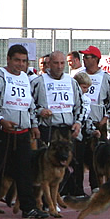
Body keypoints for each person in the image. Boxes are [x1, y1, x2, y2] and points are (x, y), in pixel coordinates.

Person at [0, 44, 49, 219]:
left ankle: (29, 207)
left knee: (25, 170)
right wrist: (0, 120)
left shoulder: (26, 78)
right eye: (17, 60)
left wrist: (34, 125)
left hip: (22, 132)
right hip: (3, 132)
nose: (20, 64)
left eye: (24, 61)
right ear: (8, 59)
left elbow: (30, 104)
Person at [31, 50, 84, 196]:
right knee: (47, 166)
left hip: (67, 128)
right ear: (49, 64)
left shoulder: (72, 82)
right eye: (56, 63)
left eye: (62, 63)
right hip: (47, 128)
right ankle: (42, 199)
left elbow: (81, 105)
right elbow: (29, 105)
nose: (59, 67)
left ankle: (65, 194)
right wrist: (39, 112)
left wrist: (78, 123)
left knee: (70, 164)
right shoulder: (38, 82)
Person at [80, 45, 110, 193]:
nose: (84, 59)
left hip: (98, 123)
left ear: (96, 59)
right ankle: (77, 188)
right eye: (84, 57)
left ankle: (97, 186)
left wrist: (105, 118)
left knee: (98, 157)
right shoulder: (78, 75)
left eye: (87, 57)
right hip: (81, 123)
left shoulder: (106, 78)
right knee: (80, 156)